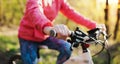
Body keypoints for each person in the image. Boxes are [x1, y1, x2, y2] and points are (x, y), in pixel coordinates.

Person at [18, 0, 106, 64]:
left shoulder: (59, 1)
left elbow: (72, 13)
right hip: (28, 37)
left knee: (67, 48)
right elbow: (35, 12)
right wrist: (47, 27)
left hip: (45, 36)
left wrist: (94, 25)